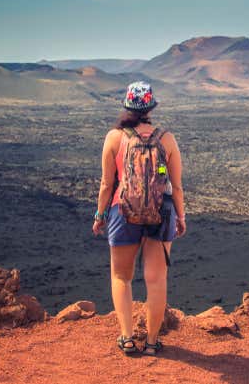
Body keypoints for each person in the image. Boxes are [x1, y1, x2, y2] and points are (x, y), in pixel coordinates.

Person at [92, 81, 186, 356]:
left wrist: (100, 215)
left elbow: (107, 184)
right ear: (151, 107)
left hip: (123, 212)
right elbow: (177, 186)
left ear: (127, 106)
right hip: (161, 214)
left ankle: (127, 338)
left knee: (121, 276)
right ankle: (153, 342)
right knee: (156, 279)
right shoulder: (166, 139)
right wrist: (180, 216)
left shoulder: (114, 138)